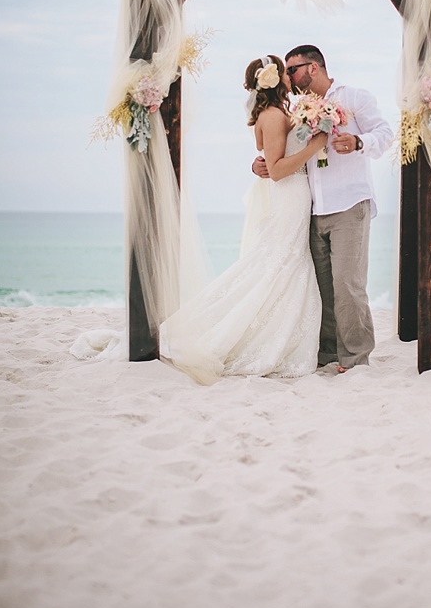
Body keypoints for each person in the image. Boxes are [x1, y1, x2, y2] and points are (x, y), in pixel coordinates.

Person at [161, 55, 326, 385]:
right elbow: (278, 170)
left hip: (291, 196)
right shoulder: (275, 115)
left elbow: (268, 159)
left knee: (279, 264)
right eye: (287, 71)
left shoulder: (274, 113)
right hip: (290, 192)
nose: (292, 76)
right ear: (278, 79)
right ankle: (261, 341)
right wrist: (315, 146)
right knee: (282, 264)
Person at [253, 45, 393, 372]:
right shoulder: (297, 108)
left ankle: (356, 357)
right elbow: (284, 152)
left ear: (313, 68)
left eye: (292, 70)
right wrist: (262, 165)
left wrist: (359, 143)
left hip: (349, 203)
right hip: (311, 209)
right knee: (321, 287)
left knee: (348, 284)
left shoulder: (355, 97)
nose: (287, 77)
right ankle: (327, 353)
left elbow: (385, 133)